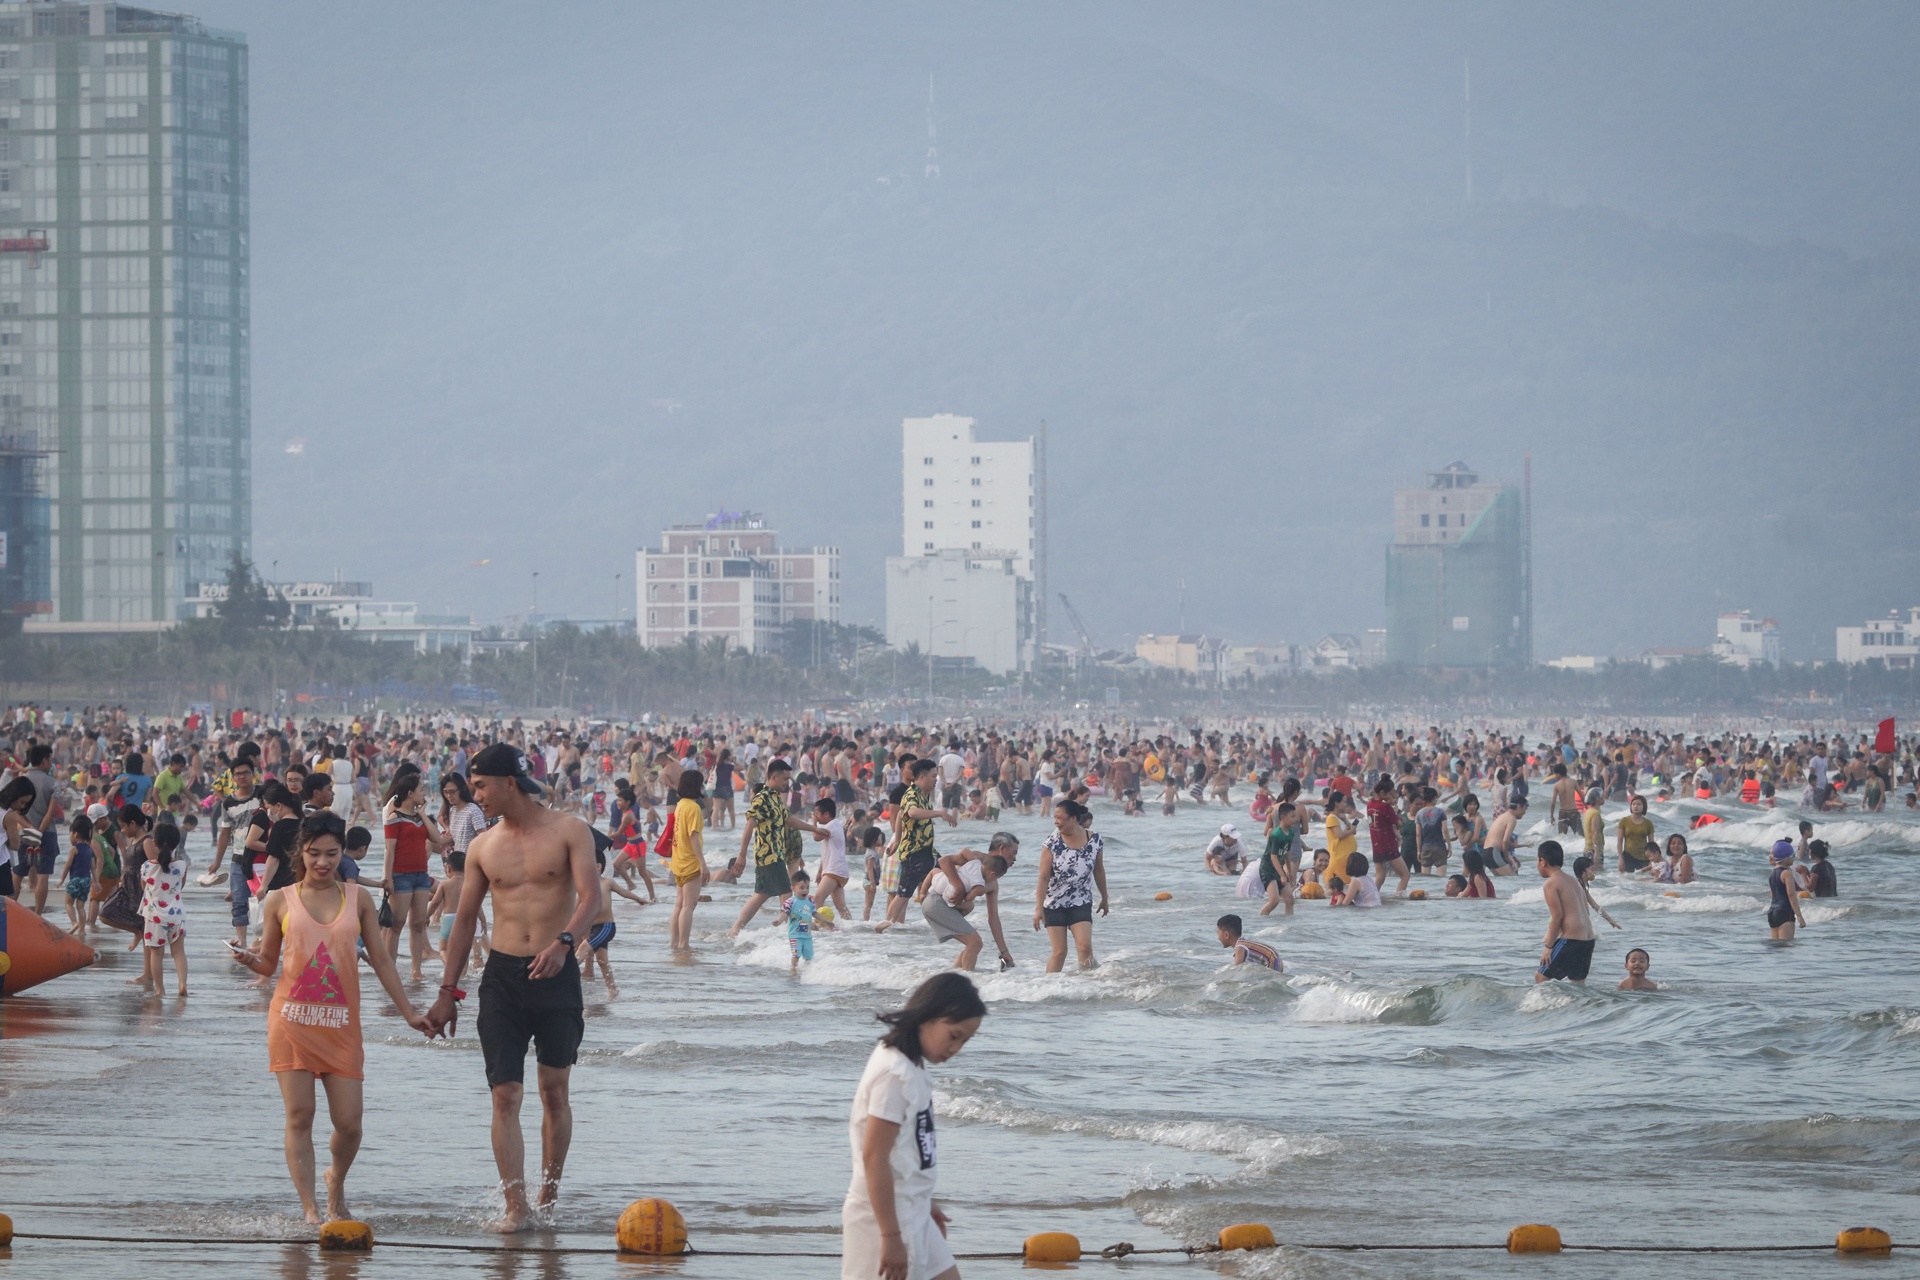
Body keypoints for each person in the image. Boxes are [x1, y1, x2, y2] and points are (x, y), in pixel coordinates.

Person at [425, 743, 601, 1233]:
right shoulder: (483, 846)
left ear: (508, 781)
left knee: (554, 1092)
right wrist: (447, 990)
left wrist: (565, 943)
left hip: (556, 972)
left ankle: (548, 1194)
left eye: (480, 786)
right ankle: (515, 1206)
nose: (473, 794)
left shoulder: (569, 830)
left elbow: (591, 897)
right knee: (504, 1094)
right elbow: (463, 923)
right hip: (502, 976)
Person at [229, 811, 433, 1224]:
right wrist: (250, 959)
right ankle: (310, 1210)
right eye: (314, 853)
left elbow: (380, 959)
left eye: (331, 854)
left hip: (341, 1026)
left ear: (342, 853)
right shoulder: (278, 900)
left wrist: (409, 1012)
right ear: (300, 852)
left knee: (350, 1124)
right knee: (300, 1115)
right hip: (292, 1022)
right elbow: (269, 963)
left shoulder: (358, 898)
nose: (322, 862)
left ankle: (335, 1182)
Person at [841, 971, 986, 1280]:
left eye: (965, 1040)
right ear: (928, 1016)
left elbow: (907, 1148)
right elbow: (874, 1157)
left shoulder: (912, 1063)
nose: (956, 1048)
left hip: (912, 1205)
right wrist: (890, 1237)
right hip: (886, 1217)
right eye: (954, 1035)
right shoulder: (895, 1074)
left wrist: (926, 1199)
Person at [381, 773, 446, 983]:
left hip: (420, 875)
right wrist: (387, 878)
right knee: (397, 924)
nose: (424, 793)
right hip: (400, 876)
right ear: (410, 793)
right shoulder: (394, 818)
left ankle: (416, 970)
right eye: (420, 790)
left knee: (418, 923)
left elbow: (437, 839)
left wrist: (423, 814)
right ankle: (389, 969)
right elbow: (390, 851)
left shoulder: (420, 819)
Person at [1032, 799, 1108, 972]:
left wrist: (1105, 897)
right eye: (1054, 817)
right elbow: (1043, 878)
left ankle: (1088, 987)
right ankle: (1048, 989)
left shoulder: (1095, 840)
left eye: (1059, 817)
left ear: (1073, 818)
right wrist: (1038, 909)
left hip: (1080, 901)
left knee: (1085, 947)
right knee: (1059, 952)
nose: (1055, 821)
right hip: (1054, 904)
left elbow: (1099, 870)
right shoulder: (1051, 843)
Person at [920, 846, 1012, 971]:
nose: (1015, 859)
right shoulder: (974, 860)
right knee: (975, 942)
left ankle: (954, 977)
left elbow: (993, 918)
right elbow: (944, 861)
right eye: (1014, 853)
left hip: (939, 904)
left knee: (971, 943)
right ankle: (966, 980)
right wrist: (959, 886)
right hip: (936, 901)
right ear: (1001, 850)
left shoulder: (992, 883)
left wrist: (1004, 951)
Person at [137, 821, 190, 995]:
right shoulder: (182, 866)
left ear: (155, 843)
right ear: (176, 843)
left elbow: (143, 886)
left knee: (156, 954)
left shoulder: (146, 867)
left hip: (154, 917)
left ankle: (160, 989)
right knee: (179, 952)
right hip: (176, 915)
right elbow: (179, 887)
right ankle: (182, 984)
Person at [1534, 840, 1596, 984]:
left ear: (1542, 861)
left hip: (1571, 941)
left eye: (1537, 861)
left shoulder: (1551, 883)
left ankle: (1544, 1007)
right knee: (1577, 985)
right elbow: (1586, 912)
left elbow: (1557, 917)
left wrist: (1549, 947)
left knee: (1541, 978)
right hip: (1588, 941)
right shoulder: (1574, 881)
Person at [667, 769, 709, 953]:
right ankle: (684, 944)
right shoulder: (693, 808)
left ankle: (674, 942)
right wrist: (703, 864)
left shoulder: (680, 804)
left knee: (679, 904)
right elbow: (693, 836)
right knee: (688, 905)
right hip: (690, 861)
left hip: (678, 859)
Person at [1366, 779, 1409, 892]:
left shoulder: (1369, 805)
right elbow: (1398, 825)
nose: (1391, 797)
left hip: (1376, 846)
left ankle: (1371, 897)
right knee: (1405, 876)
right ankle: (1398, 898)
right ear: (1382, 793)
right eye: (1389, 794)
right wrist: (1401, 821)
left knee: (1380, 878)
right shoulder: (1385, 807)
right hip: (1388, 846)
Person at [781, 868, 826, 974]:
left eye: (807, 887)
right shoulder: (791, 901)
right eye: (801, 888)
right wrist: (778, 921)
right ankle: (793, 969)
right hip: (795, 935)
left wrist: (826, 921)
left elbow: (814, 913)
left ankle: (808, 972)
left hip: (807, 936)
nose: (805, 890)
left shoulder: (810, 901)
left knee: (809, 956)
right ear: (793, 888)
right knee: (796, 954)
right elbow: (784, 913)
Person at [60, 811, 95, 935]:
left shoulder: (74, 849)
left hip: (75, 880)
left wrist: (62, 880)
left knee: (68, 902)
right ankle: (82, 929)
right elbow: (93, 867)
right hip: (86, 880)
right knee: (80, 906)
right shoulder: (89, 849)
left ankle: (74, 922)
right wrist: (95, 881)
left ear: (75, 834)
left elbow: (68, 865)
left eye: (70, 833)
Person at [1766, 840, 1806, 941]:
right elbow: (1791, 896)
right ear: (1786, 858)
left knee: (1776, 948)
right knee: (1785, 948)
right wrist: (1799, 916)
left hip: (1772, 913)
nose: (1794, 857)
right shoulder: (1787, 873)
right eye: (1792, 855)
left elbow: (1772, 893)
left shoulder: (1772, 873)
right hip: (1785, 912)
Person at [1215, 914, 1283, 971]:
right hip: (1276, 960)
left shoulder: (1240, 947)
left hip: (1273, 962)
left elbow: (1237, 970)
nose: (1218, 937)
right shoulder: (1244, 943)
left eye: (1218, 933)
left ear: (1226, 935)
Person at [1483, 798, 1528, 875]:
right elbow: (1505, 840)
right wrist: (1506, 855)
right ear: (1519, 807)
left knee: (1503, 882)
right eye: (1525, 809)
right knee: (1513, 879)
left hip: (1486, 852)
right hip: (1494, 852)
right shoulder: (1512, 818)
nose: (1524, 812)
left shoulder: (1503, 816)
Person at [1615, 795, 1655, 874]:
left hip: (1644, 857)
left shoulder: (1648, 823)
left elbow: (1651, 844)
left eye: (1639, 804)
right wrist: (1620, 858)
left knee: (1643, 881)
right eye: (1633, 804)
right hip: (1628, 855)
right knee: (1627, 880)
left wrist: (1652, 860)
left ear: (1644, 807)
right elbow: (1619, 842)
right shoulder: (1624, 821)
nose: (1636, 806)